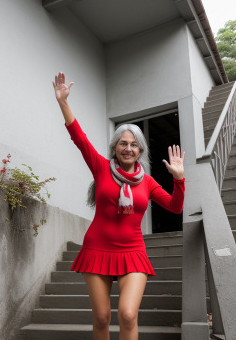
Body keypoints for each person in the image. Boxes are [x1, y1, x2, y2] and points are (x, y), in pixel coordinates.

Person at [53, 71, 185, 340]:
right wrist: (63, 102)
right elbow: (79, 138)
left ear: (140, 151)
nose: (128, 148)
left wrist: (179, 180)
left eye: (134, 145)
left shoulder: (147, 182)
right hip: (97, 249)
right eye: (123, 144)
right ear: (115, 148)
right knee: (101, 318)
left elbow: (175, 208)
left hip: (132, 252)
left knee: (127, 314)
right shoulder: (101, 168)